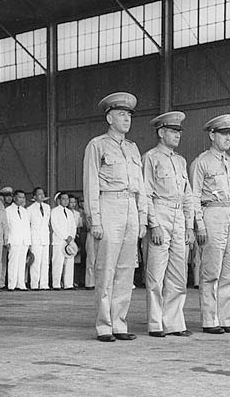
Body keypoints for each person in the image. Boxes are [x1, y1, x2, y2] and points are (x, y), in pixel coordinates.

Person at [83, 92, 147, 342]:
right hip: (109, 205)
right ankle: (104, 325)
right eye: (121, 114)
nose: (127, 119)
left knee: (125, 271)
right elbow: (90, 185)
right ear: (109, 117)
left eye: (129, 115)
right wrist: (94, 220)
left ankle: (120, 322)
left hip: (130, 206)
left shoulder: (132, 148)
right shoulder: (97, 145)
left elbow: (140, 185)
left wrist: (142, 217)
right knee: (106, 269)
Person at [141, 111, 195, 338]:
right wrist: (153, 224)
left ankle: (174, 322)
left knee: (178, 274)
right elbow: (145, 194)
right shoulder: (150, 158)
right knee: (155, 274)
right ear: (161, 132)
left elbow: (188, 195)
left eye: (178, 131)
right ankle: (156, 324)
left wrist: (190, 226)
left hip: (179, 218)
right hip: (160, 213)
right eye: (173, 131)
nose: (177, 135)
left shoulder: (181, 161)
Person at [190, 113, 230, 335]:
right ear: (212, 135)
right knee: (211, 269)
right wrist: (199, 224)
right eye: (223, 134)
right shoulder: (201, 162)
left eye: (229, 133)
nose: (227, 138)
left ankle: (226, 318)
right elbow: (193, 195)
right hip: (212, 212)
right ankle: (210, 319)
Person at [50, 192, 77, 290]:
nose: (66, 201)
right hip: (59, 240)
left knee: (69, 262)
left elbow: (73, 226)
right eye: (63, 199)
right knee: (58, 262)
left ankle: (68, 284)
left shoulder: (69, 212)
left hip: (69, 241)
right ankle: (56, 284)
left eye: (67, 199)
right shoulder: (54, 211)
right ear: (58, 200)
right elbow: (55, 226)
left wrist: (71, 237)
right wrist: (65, 237)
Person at [6, 189, 31, 291]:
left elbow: (27, 227)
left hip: (24, 240)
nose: (22, 199)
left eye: (23, 197)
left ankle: (21, 283)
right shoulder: (8, 210)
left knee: (21, 263)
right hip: (14, 240)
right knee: (13, 262)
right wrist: (7, 240)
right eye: (20, 197)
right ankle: (11, 284)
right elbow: (6, 226)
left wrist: (29, 241)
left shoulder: (25, 211)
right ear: (14, 198)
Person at [28, 187, 51, 290]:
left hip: (45, 237)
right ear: (34, 196)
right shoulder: (30, 209)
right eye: (39, 194)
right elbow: (28, 225)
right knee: (36, 262)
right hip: (35, 238)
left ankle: (44, 284)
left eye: (43, 194)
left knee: (45, 262)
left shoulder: (47, 207)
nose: (42, 196)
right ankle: (34, 284)